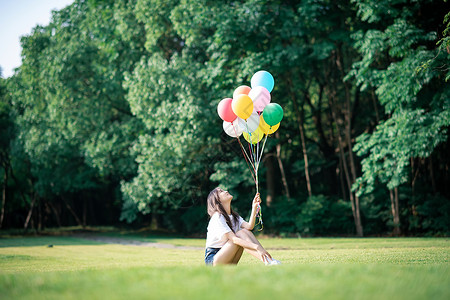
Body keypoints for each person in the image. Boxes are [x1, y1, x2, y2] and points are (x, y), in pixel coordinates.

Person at [204, 187, 281, 266]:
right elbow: (234, 240)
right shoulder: (218, 216)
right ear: (217, 200)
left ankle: (269, 260)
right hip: (213, 259)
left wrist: (254, 207)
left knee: (244, 232)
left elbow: (249, 226)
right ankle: (268, 261)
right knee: (239, 235)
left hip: (228, 255)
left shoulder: (234, 216)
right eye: (221, 191)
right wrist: (257, 247)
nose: (226, 191)